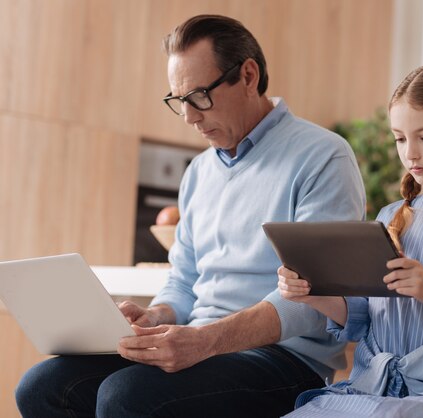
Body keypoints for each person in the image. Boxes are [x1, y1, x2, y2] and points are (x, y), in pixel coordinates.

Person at [16, 14, 366, 418]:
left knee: (126, 394)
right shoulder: (199, 172)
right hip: (201, 345)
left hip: (285, 361)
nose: (189, 116)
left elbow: (311, 300)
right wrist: (156, 316)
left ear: (248, 75)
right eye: (179, 100)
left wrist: (205, 340)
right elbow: (184, 281)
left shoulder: (323, 156)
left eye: (200, 95)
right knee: (42, 387)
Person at [277, 63, 423, 418]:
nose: (411, 154)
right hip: (373, 386)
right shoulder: (389, 217)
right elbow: (365, 317)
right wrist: (313, 295)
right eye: (400, 138)